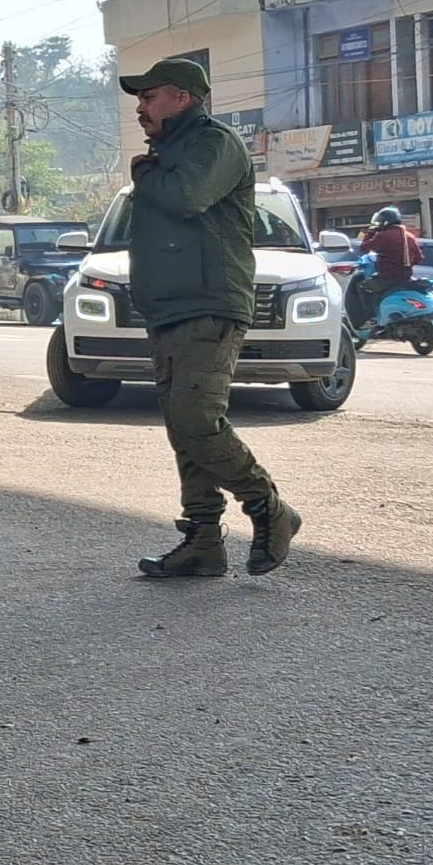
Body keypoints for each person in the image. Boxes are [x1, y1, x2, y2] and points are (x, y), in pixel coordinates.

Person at [119, 58, 301, 580]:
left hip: (208, 303)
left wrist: (144, 171)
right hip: (169, 308)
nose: (140, 108)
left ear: (182, 98)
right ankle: (202, 541)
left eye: (149, 97)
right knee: (183, 426)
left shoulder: (214, 144)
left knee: (199, 421)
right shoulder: (169, 154)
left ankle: (269, 508)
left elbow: (187, 197)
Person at [350, 206, 422, 328]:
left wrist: (371, 232)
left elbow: (364, 247)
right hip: (406, 278)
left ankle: (371, 318)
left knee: (362, 288)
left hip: (387, 278)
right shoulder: (409, 236)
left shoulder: (384, 236)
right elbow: (419, 258)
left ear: (385, 221)